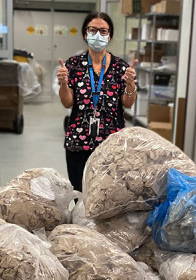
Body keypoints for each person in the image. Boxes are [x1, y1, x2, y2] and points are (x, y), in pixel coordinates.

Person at [57, 12, 138, 192]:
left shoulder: (121, 67)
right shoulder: (74, 65)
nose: (98, 35)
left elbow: (128, 102)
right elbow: (67, 102)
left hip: (111, 144)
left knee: (108, 195)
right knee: (80, 193)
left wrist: (130, 83)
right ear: (85, 34)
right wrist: (63, 83)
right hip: (78, 142)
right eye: (93, 30)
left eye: (103, 31)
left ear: (109, 36)